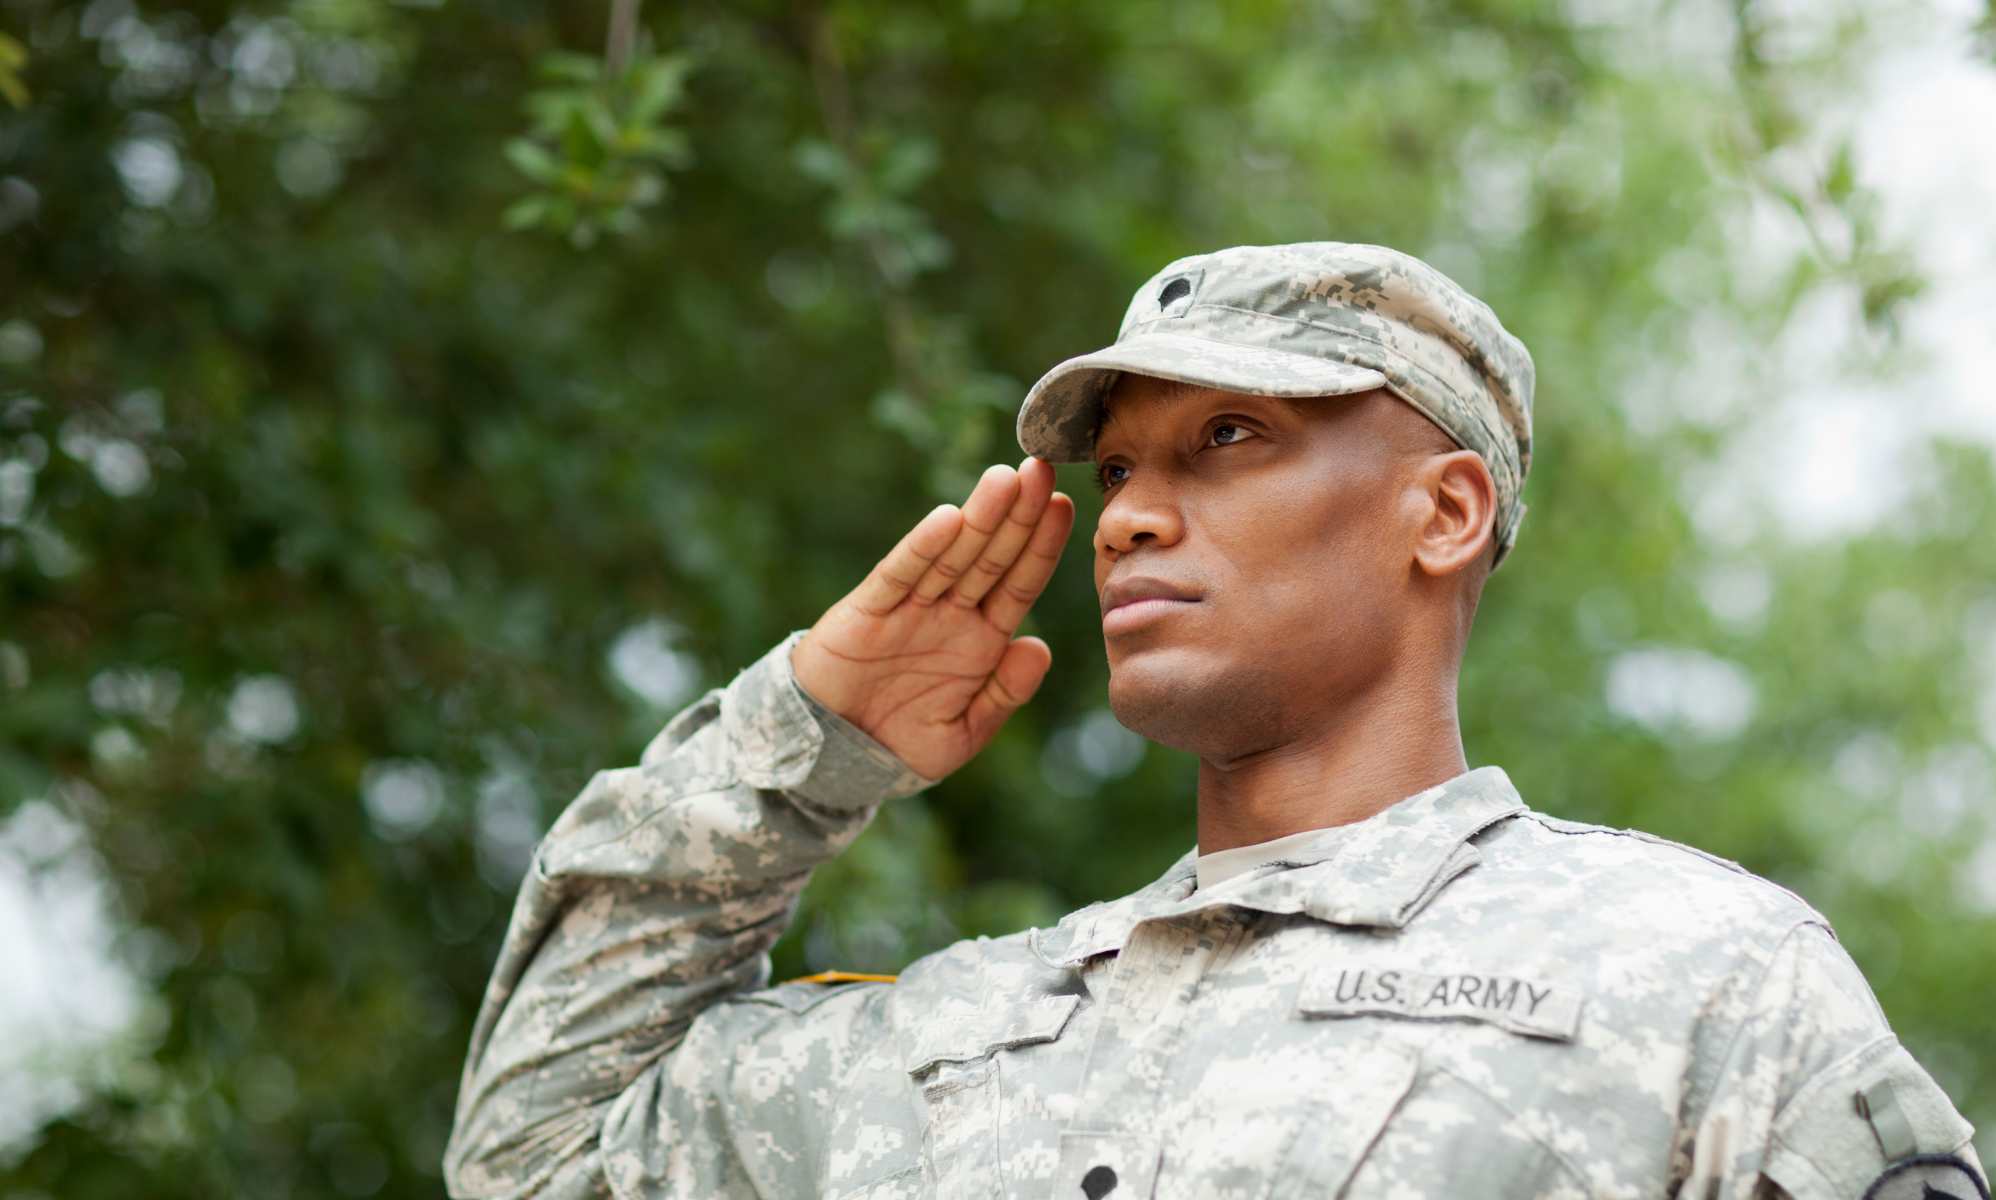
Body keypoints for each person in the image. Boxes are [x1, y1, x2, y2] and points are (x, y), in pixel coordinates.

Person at [443, 243, 1985, 1200]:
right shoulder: (946, 1040)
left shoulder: (1697, 982)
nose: (1128, 524)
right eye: (1120, 474)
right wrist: (803, 749)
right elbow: (537, 1153)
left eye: (1229, 439)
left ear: (1443, 511)